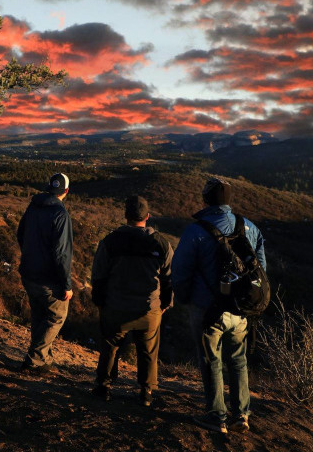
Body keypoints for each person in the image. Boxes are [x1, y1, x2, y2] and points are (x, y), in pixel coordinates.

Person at [171, 177, 266, 434]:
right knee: (238, 360)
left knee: (211, 360)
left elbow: (180, 271)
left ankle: (216, 416)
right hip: (240, 310)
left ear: (206, 199)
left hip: (207, 309)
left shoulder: (195, 231)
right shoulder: (249, 227)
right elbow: (261, 270)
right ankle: (241, 415)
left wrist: (184, 298)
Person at [90, 195, 173, 406]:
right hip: (148, 310)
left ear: (125, 216)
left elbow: (99, 276)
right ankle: (146, 391)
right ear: (148, 216)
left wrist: (100, 302)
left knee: (110, 345)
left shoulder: (110, 242)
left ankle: (103, 386)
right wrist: (165, 304)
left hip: (116, 307)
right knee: (148, 350)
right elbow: (170, 278)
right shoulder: (161, 243)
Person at [17, 173, 73, 375]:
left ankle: (44, 359)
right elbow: (62, 254)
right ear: (66, 191)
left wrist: (30, 256)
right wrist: (66, 284)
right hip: (49, 279)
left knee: (40, 316)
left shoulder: (33, 206)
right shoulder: (60, 214)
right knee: (57, 316)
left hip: (29, 272)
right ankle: (34, 360)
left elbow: (20, 233)